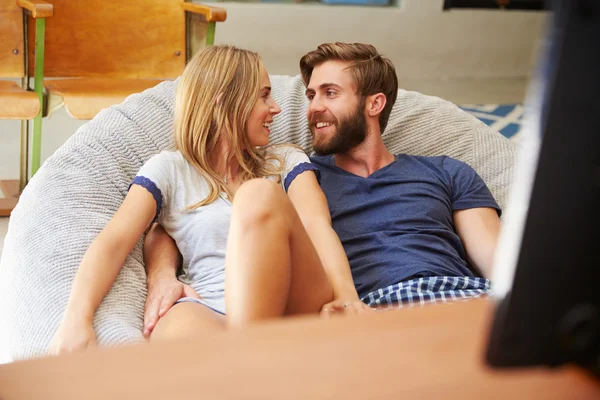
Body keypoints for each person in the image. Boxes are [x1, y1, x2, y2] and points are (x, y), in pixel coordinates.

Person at [143, 42, 502, 336]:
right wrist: (161, 274)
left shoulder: (446, 171)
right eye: (311, 95)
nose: (313, 108)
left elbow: (499, 263)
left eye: (329, 93)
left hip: (464, 302)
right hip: (373, 314)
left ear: (374, 104)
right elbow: (194, 216)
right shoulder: (294, 178)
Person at [50, 45, 368, 355]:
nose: (276, 108)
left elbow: (317, 226)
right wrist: (77, 319)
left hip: (294, 300)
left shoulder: (285, 159)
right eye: (264, 95)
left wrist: (348, 298)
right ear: (224, 102)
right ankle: (249, 365)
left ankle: (248, 357)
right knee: (170, 332)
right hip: (210, 303)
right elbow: (114, 241)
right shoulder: (168, 169)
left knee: (257, 195)